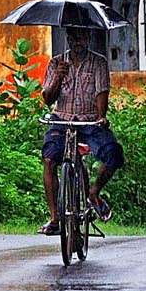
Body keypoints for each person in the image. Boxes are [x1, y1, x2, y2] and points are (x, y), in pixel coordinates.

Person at [40, 26, 125, 236]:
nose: (77, 42)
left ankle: (93, 193)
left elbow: (101, 92)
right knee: (49, 159)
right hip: (61, 120)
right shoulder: (56, 63)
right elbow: (47, 99)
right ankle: (55, 218)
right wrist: (58, 77)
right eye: (73, 37)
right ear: (68, 38)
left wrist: (101, 116)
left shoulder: (98, 63)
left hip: (89, 121)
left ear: (88, 38)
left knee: (113, 153)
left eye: (81, 37)